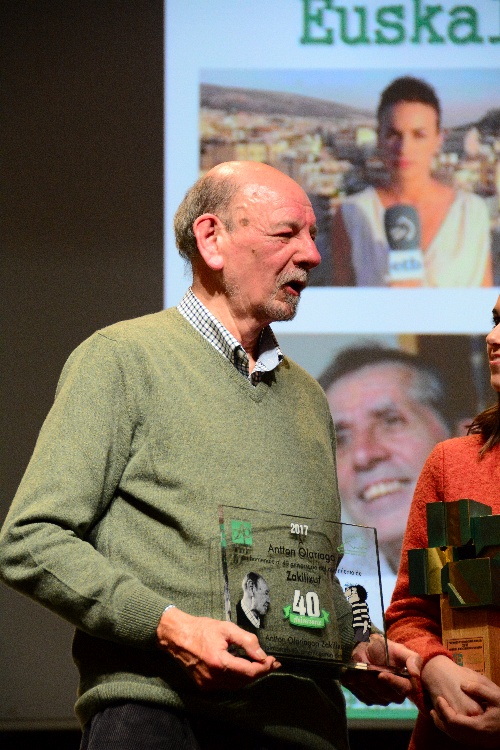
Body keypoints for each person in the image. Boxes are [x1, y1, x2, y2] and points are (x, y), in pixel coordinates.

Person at [0, 161, 418, 750]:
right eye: (287, 233)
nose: (312, 255)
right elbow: (31, 540)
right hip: (160, 717)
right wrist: (168, 627)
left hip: (306, 728)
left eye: (312, 235)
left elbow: (308, 574)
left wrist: (356, 647)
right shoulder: (122, 359)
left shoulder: (308, 397)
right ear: (212, 238)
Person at [385, 294, 500, 749]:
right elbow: (412, 615)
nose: (493, 337)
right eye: (494, 320)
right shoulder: (455, 465)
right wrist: (433, 668)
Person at [331, 75, 493, 287]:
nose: (404, 148)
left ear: (438, 140)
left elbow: (487, 299)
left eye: (419, 134)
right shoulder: (352, 215)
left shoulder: (471, 213)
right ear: (379, 138)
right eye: (393, 134)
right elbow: (344, 301)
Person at [318, 345, 450, 603]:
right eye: (341, 439)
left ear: (464, 435)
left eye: (391, 421)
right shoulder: (327, 588)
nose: (362, 455)